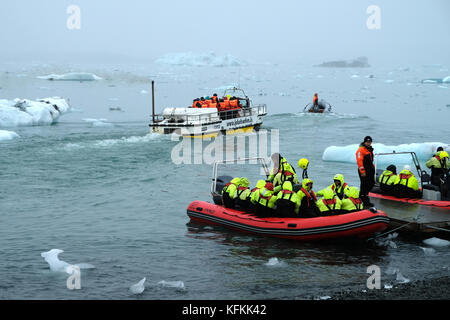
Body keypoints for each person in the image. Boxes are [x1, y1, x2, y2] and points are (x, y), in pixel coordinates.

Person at [356, 136, 375, 207]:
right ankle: (364, 199)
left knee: (371, 183)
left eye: (369, 142)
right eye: (367, 142)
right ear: (364, 142)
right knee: (364, 185)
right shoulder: (361, 150)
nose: (368, 143)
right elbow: (359, 161)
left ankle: (364, 196)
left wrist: (373, 168)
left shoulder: (369, 149)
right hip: (364, 170)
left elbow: (370, 160)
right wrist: (362, 171)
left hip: (370, 170)